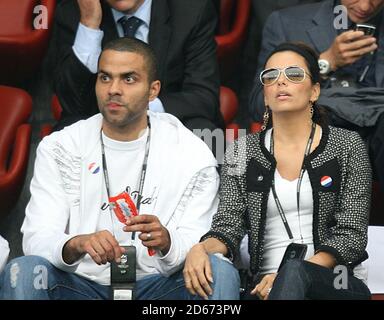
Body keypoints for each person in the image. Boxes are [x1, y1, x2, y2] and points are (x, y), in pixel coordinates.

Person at [0, 38, 226, 300]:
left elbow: (198, 239)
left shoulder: (191, 153)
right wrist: (76, 243)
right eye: (105, 78)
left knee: (218, 271)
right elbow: (36, 238)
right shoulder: (61, 147)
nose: (113, 89)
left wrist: (168, 241)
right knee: (26, 271)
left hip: (159, 286)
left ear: (153, 90)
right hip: (80, 285)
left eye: (128, 79)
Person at [184, 42, 372, 300]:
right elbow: (228, 226)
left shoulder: (347, 145)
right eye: (271, 76)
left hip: (334, 283)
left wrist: (290, 274)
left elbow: (351, 234)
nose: (280, 82)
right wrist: (200, 248)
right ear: (264, 95)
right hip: (262, 287)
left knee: (295, 271)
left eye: (294, 74)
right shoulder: (241, 150)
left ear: (314, 91)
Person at [249, 0, 384, 193]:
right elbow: (258, 104)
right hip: (317, 128)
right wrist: (326, 63)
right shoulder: (287, 23)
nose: (365, 7)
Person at [48, 0, 223, 133]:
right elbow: (72, 104)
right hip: (102, 124)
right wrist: (89, 24)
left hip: (169, 122)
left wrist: (137, 109)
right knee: (66, 132)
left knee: (207, 134)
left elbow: (204, 97)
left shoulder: (191, 9)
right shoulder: (75, 12)